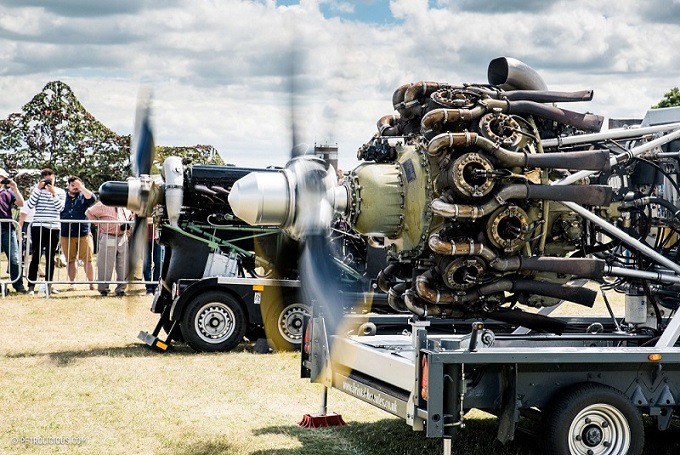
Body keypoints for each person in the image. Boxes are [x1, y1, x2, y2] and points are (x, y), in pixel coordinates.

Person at [26, 168, 66, 295]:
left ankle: (49, 285)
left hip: (53, 227)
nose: (48, 180)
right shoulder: (37, 190)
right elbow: (30, 205)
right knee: (36, 256)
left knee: (50, 257)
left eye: (50, 178)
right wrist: (38, 189)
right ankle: (31, 286)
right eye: (45, 178)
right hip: (38, 226)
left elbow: (60, 208)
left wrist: (53, 193)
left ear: (55, 178)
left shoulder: (60, 191)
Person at [85, 201, 132, 296]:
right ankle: (103, 289)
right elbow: (88, 212)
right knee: (105, 264)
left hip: (122, 237)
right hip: (108, 235)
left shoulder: (125, 206)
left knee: (123, 264)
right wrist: (98, 224)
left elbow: (130, 216)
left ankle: (121, 289)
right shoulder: (103, 204)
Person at [60, 176, 96, 291]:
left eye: (77, 186)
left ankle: (92, 283)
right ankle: (72, 283)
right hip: (66, 233)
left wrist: (81, 187)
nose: (75, 188)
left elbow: (93, 199)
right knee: (70, 260)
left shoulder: (84, 196)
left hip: (83, 232)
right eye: (73, 185)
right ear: (68, 186)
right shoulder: (62, 196)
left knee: (87, 259)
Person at [0, 168, 27, 293]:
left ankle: (18, 285)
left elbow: (21, 203)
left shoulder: (8, 192)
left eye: (2, 177)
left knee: (14, 258)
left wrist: (15, 188)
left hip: (7, 228)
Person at [144, 219, 162, 295]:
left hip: (157, 238)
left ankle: (156, 286)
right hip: (144, 238)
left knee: (158, 262)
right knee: (147, 264)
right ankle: (149, 288)